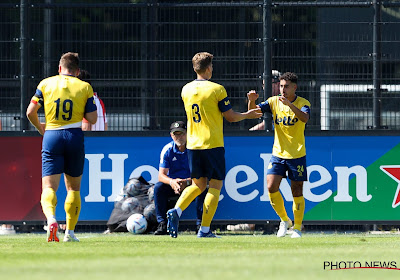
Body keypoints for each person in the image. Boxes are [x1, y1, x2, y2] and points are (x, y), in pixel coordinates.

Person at [166, 52, 262, 238]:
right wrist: (247, 115)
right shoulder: (217, 89)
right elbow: (231, 117)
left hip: (193, 145)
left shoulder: (185, 89)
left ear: (195, 68)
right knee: (215, 186)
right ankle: (204, 230)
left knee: (198, 184)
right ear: (209, 68)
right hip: (212, 144)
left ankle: (177, 210)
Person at [26, 52, 97, 242]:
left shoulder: (45, 84)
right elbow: (92, 118)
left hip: (52, 135)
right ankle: (70, 233)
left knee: (49, 187)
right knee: (73, 189)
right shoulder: (85, 87)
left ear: (59, 68)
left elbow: (30, 111)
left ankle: (50, 220)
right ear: (78, 71)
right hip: (74, 135)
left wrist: (40, 127)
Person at [247, 72, 310, 238]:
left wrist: (289, 105)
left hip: (297, 154)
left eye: (286, 86)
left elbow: (304, 118)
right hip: (278, 153)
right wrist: (251, 100)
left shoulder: (303, 103)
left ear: (294, 87)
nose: (283, 89)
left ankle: (296, 228)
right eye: (281, 86)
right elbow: (253, 113)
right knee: (271, 186)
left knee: (297, 191)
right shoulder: (273, 101)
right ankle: (284, 220)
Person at [153, 121, 207, 235]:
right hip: (175, 186)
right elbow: (161, 176)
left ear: (188, 134)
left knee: (203, 188)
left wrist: (187, 182)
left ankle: (200, 225)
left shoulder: (195, 149)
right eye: (176, 134)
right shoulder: (167, 149)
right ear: (171, 135)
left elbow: (203, 175)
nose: (179, 137)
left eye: (182, 133)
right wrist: (172, 182)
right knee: (158, 188)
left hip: (193, 184)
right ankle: (162, 224)